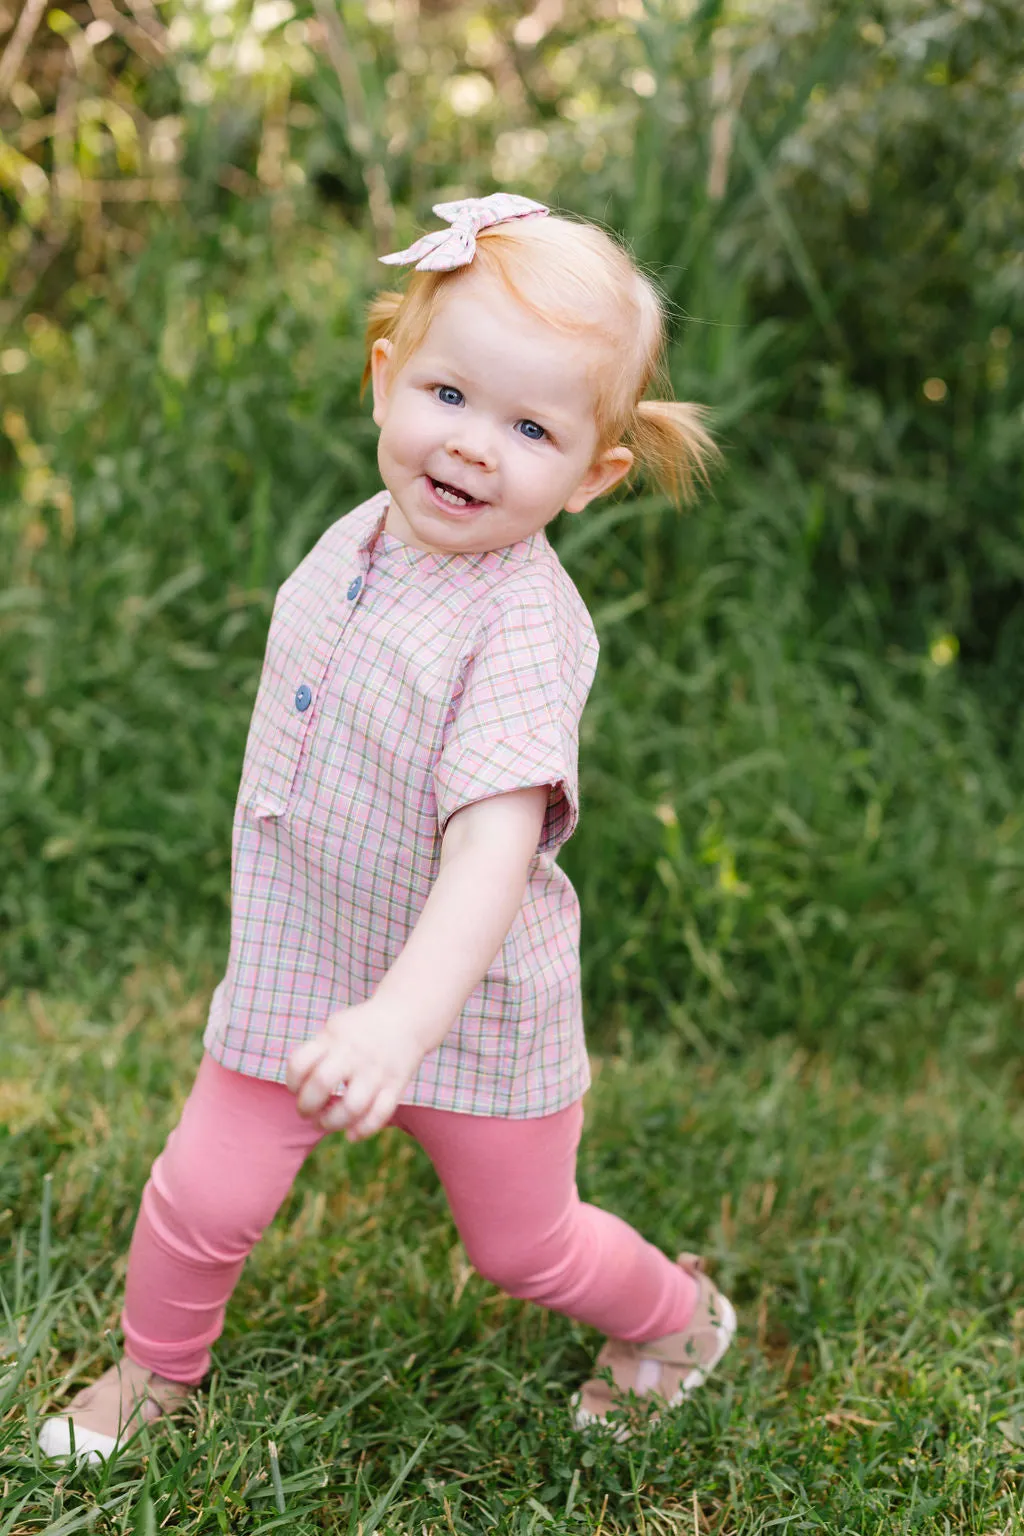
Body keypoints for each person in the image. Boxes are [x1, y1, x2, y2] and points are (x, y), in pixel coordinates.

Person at [39, 193, 735, 1463]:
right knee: (204, 1189)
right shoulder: (358, 538)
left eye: (529, 427)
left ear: (593, 476)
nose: (472, 447)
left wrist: (401, 1024)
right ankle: (153, 1376)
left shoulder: (524, 628)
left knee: (522, 1245)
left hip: (468, 1009)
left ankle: (676, 1322)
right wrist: (345, 998)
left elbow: (491, 849)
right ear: (385, 379)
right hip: (305, 963)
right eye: (450, 397)